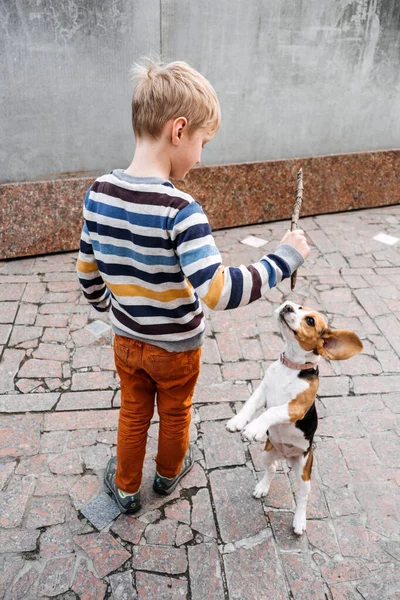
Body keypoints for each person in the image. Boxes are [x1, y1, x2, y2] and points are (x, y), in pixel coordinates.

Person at [76, 59, 310, 514]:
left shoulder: (98, 192)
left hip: (126, 340)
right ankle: (166, 474)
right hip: (177, 348)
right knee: (176, 411)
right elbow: (219, 291)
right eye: (203, 142)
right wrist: (284, 258)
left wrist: (115, 307)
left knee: (133, 412)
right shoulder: (181, 210)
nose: (201, 156)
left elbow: (89, 273)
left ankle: (125, 487)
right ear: (178, 131)